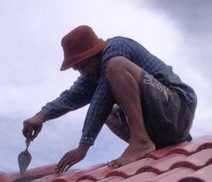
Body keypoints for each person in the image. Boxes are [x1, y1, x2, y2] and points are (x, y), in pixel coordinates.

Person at [22, 25, 197, 172]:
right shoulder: (94, 72)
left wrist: (83, 147)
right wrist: (42, 115)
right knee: (109, 113)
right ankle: (149, 143)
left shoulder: (116, 49)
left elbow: (100, 100)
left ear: (94, 54)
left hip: (178, 109)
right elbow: (72, 96)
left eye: (82, 66)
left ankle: (141, 141)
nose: (82, 73)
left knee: (116, 67)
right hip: (162, 130)